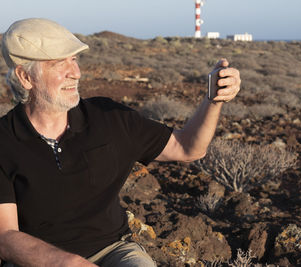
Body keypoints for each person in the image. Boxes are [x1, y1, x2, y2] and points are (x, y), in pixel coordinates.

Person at [0, 18, 240, 267]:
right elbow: (5, 237)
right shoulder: (4, 142)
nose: (76, 72)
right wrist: (69, 263)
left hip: (113, 252)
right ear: (25, 77)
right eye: (60, 63)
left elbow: (188, 147)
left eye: (74, 59)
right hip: (36, 261)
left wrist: (214, 99)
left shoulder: (109, 118)